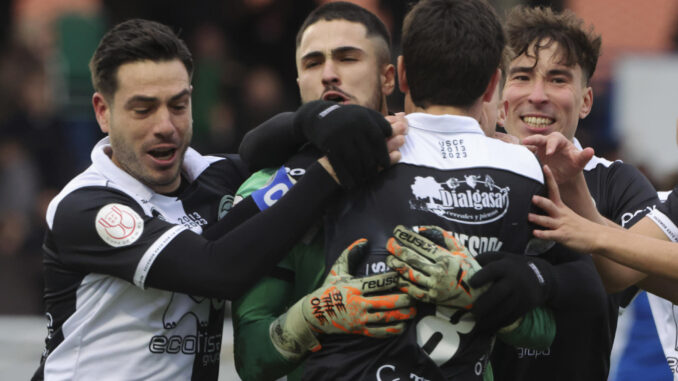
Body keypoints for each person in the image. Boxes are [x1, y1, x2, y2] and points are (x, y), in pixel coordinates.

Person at [32, 18, 400, 381]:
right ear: (103, 112)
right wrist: (334, 168)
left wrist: (316, 118)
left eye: (178, 105)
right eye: (143, 109)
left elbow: (259, 150)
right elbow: (216, 272)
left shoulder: (212, 176)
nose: (165, 125)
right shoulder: (87, 206)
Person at [300, 1, 605, 380]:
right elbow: (589, 291)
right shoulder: (525, 169)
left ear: (405, 75)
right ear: (495, 83)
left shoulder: (361, 151)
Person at [231, 4, 414, 380]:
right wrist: (310, 317)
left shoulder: (440, 167)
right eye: (313, 64)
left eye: (348, 58)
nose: (329, 74)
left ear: (388, 77)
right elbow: (250, 357)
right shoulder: (265, 186)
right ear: (298, 81)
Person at [488, 6, 662, 381]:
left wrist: (573, 188)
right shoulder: (467, 174)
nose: (538, 95)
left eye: (557, 79)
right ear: (498, 95)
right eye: (521, 76)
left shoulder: (618, 183)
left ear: (585, 100)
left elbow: (638, 272)